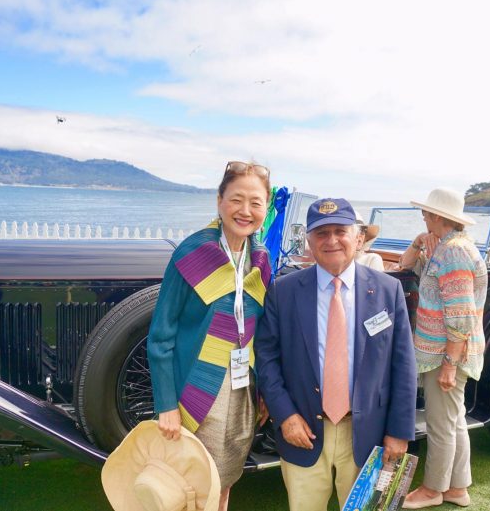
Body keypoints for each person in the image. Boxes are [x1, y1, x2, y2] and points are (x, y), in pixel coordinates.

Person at [255, 197, 417, 511]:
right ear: (309, 243)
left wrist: (399, 431)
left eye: (340, 231)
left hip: (368, 435)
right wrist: (285, 415)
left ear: (358, 238)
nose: (331, 240)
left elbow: (403, 366)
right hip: (302, 432)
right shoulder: (283, 291)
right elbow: (267, 358)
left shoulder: (388, 290)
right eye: (321, 233)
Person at [147, 161, 272, 511]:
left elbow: (259, 332)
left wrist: (262, 391)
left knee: (225, 478)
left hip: (241, 389)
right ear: (219, 201)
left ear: (266, 207)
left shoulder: (260, 259)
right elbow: (160, 337)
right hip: (196, 389)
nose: (245, 211)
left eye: (256, 202)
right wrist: (166, 405)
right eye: (236, 199)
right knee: (189, 481)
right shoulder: (191, 254)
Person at [399, 188, 487, 509]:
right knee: (453, 419)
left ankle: (433, 489)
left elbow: (461, 313)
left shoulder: (453, 252)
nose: (423, 216)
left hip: (444, 354)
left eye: (426, 213)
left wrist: (449, 362)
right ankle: (457, 488)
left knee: (440, 424)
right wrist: (418, 243)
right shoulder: (445, 248)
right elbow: (407, 265)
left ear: (439, 216)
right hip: (446, 351)